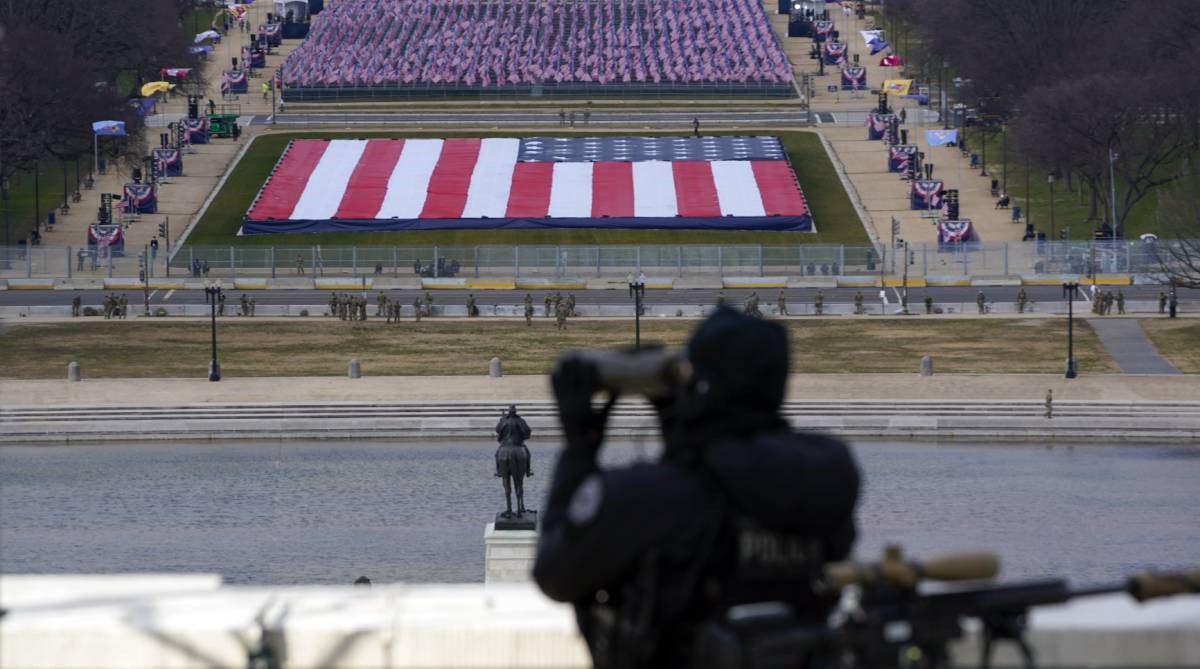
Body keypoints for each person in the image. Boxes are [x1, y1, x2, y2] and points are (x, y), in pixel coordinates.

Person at [535, 307, 860, 669]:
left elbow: (555, 573)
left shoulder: (651, 500)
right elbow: (728, 469)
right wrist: (683, 425)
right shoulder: (824, 477)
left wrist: (580, 446)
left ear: (699, 384)